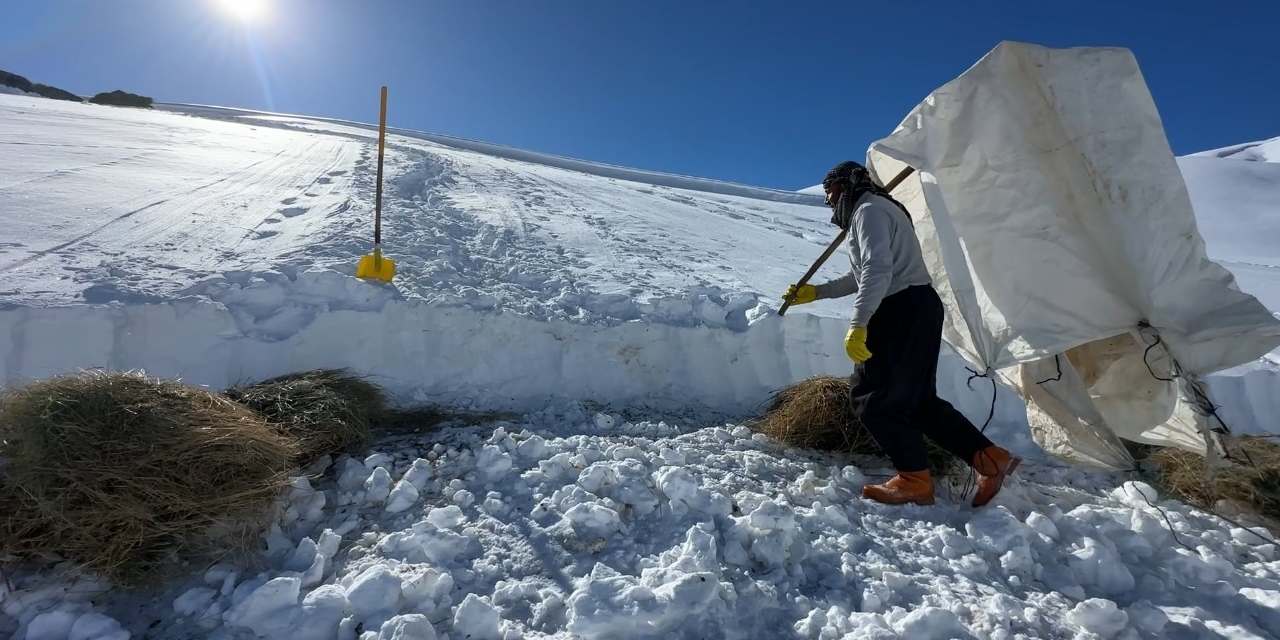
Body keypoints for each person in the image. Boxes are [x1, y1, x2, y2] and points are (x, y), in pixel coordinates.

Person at [784, 160, 1018, 507]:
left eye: (831, 192)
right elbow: (864, 275)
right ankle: (990, 459)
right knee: (918, 401)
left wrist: (858, 324)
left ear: (849, 185)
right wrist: (817, 293)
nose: (830, 202)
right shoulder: (880, 210)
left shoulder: (867, 211)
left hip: (899, 309)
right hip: (919, 305)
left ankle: (914, 479)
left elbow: (878, 271)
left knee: (871, 397)